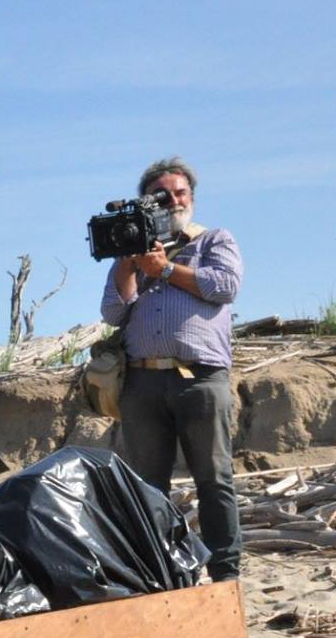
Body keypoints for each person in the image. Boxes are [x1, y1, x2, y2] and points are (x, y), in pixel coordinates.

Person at [101, 156, 244, 582]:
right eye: (162, 195)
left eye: (180, 193)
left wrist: (164, 269)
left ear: (192, 199)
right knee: (148, 486)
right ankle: (159, 571)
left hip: (200, 377)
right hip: (143, 379)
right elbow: (112, 312)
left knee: (214, 479)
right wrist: (130, 265)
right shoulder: (127, 252)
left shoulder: (214, 240)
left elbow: (225, 286)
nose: (174, 200)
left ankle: (225, 572)